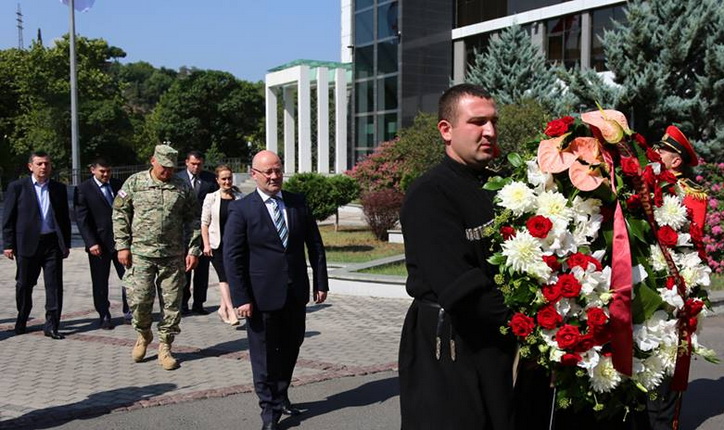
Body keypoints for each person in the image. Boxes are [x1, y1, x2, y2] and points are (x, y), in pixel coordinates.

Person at [398, 84, 515, 429]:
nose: (490, 131)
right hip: (448, 346)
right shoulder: (430, 194)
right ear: (446, 130)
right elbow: (461, 290)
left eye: (493, 121)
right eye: (477, 122)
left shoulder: (500, 186)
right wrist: (536, 323)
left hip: (494, 341)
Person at [224, 150, 329, 430]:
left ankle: (281, 395)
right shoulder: (242, 209)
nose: (274, 176)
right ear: (254, 174)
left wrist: (321, 282)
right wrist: (241, 297)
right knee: (265, 355)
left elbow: (315, 245)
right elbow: (232, 258)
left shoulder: (297, 203)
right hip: (260, 297)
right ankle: (269, 411)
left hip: (295, 293)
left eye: (278, 170)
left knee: (292, 346)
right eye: (268, 172)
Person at [113, 144, 201, 371]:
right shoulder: (135, 183)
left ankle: (165, 346)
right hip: (141, 254)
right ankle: (143, 334)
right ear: (152, 161)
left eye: (172, 168)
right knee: (139, 301)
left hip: (172, 256)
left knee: (172, 305)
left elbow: (193, 220)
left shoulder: (182, 187)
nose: (168, 172)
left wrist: (193, 250)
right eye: (164, 167)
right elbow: (120, 213)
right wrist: (122, 246)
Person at [647, 125, 707, 430]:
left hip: (673, 285)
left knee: (670, 358)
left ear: (676, 160)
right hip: (645, 281)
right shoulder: (647, 182)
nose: (656, 153)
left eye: (663, 149)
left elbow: (689, 241)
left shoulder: (690, 195)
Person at [2, 151, 71, 340]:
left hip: (52, 244)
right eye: (39, 164)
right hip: (26, 244)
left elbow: (64, 218)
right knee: (24, 285)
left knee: (54, 286)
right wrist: (8, 244)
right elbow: (8, 218)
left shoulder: (58, 188)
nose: (43, 167)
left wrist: (65, 244)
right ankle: (22, 318)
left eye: (47, 164)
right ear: (30, 166)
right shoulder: (18, 187)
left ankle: (51, 325)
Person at [74, 158, 131, 330]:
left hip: (121, 243)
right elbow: (82, 219)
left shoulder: (118, 185)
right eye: (102, 172)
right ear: (93, 170)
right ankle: (104, 314)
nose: (106, 175)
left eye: (108, 171)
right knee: (100, 281)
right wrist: (91, 242)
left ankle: (129, 311)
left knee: (128, 278)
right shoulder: (83, 189)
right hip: (99, 244)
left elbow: (128, 209)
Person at [200, 164, 244, 326]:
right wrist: (206, 245)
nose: (227, 181)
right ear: (217, 180)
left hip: (235, 245)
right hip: (217, 244)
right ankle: (231, 310)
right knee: (224, 278)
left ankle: (222, 308)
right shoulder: (211, 198)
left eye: (229, 178)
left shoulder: (239, 197)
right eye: (224, 179)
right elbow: (204, 223)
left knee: (231, 276)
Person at [177, 150, 218, 315]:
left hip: (203, 231)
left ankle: (199, 303)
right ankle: (183, 303)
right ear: (186, 162)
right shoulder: (178, 179)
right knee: (184, 269)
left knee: (202, 271)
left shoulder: (209, 179)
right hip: (183, 232)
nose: (196, 167)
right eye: (193, 163)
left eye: (199, 164)